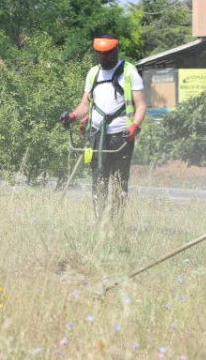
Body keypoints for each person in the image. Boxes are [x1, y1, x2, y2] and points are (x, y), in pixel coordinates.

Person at [62, 34, 147, 222]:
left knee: (119, 182)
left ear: (115, 50)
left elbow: (141, 105)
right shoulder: (93, 73)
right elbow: (85, 104)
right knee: (99, 181)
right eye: (100, 53)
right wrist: (73, 116)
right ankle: (100, 223)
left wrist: (134, 126)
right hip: (96, 136)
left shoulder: (129, 72)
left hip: (121, 137)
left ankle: (115, 224)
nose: (103, 57)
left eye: (107, 53)